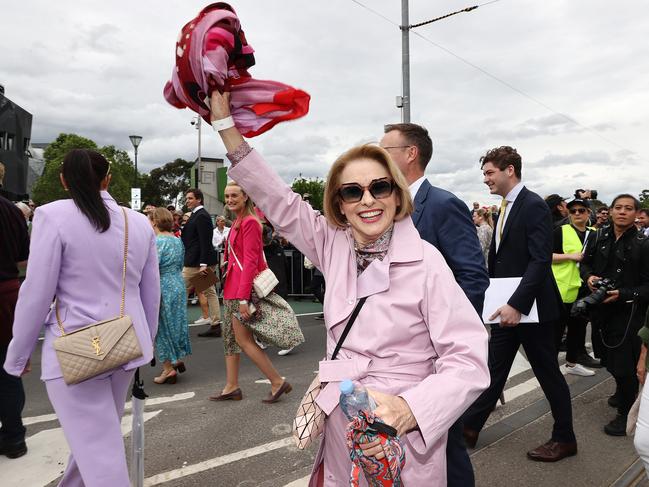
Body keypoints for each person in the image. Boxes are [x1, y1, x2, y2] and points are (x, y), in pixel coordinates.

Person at [210, 91, 489, 485]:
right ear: (339, 204)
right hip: (341, 415)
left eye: (380, 187)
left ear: (396, 195)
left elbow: (468, 359)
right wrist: (225, 125)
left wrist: (411, 409)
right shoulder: (332, 244)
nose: (368, 200)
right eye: (352, 191)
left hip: (399, 433)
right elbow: (278, 200)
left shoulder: (426, 261)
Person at [3, 149, 160, 485]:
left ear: (64, 180)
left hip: (74, 347)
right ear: (108, 179)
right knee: (94, 441)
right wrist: (147, 342)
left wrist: (17, 355)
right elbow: (151, 293)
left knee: (97, 450)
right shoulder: (139, 222)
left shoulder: (52, 215)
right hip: (124, 342)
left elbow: (37, 291)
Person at [380, 122, 490, 486]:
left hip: (435, 357)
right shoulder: (383, 207)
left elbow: (473, 276)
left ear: (410, 154)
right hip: (394, 358)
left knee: (444, 447)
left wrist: (444, 339)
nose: (378, 159)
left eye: (386, 151)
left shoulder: (442, 204)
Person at [463, 146, 577, 462]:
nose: (486, 179)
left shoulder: (533, 205)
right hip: (507, 308)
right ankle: (469, 429)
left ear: (509, 170)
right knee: (493, 370)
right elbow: (503, 261)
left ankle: (565, 439)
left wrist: (517, 304)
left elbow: (539, 261)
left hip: (534, 309)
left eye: (489, 173)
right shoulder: (505, 206)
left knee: (548, 374)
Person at [209, 181, 297, 403]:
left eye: (234, 196)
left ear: (246, 196)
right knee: (230, 339)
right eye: (227, 196)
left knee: (244, 340)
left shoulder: (249, 223)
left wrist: (242, 297)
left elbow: (249, 262)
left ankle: (277, 381)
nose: (229, 200)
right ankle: (231, 386)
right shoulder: (238, 221)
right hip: (231, 288)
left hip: (240, 291)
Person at [580, 194, 649, 435]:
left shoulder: (643, 243)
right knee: (606, 359)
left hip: (629, 312)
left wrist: (623, 293)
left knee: (623, 365)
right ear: (609, 211)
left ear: (636, 214)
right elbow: (584, 264)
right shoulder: (598, 236)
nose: (622, 212)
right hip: (601, 310)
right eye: (618, 207)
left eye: (628, 208)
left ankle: (626, 414)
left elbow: (647, 286)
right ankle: (622, 391)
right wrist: (588, 277)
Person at [550, 198, 600, 375]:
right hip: (563, 287)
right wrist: (571, 256)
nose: (577, 213)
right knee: (556, 331)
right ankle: (549, 368)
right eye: (573, 211)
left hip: (585, 288)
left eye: (581, 210)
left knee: (578, 330)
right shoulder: (560, 231)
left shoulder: (595, 232)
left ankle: (572, 363)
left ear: (588, 213)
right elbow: (546, 256)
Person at [0, 168, 30, 459]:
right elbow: (24, 259)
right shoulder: (12, 212)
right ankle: (14, 436)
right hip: (8, 291)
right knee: (8, 370)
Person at [148, 207, 192, 384]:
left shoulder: (157, 242)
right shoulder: (176, 240)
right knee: (176, 322)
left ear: (154, 222)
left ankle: (168, 368)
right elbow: (181, 262)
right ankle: (176, 358)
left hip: (163, 285)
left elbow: (153, 268)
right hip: (178, 284)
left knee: (161, 327)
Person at [181, 188, 223, 337]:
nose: (187, 201)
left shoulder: (202, 216)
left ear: (199, 199)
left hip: (197, 262)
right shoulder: (197, 215)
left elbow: (205, 241)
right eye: (186, 199)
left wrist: (203, 264)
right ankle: (216, 324)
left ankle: (177, 325)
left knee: (180, 290)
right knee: (209, 291)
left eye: (190, 198)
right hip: (196, 260)